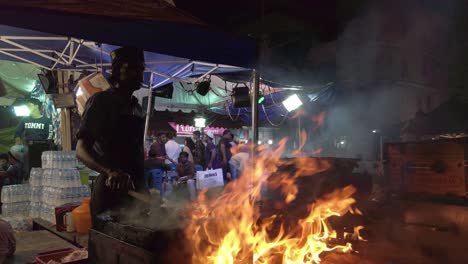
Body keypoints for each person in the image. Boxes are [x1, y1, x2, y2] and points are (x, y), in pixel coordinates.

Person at [75, 46, 148, 228]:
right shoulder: (101, 102)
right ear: (119, 70)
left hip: (136, 189)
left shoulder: (137, 108)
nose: (140, 75)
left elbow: (136, 152)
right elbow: (80, 150)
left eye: (142, 70)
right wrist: (109, 172)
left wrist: (144, 188)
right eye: (135, 69)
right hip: (110, 191)